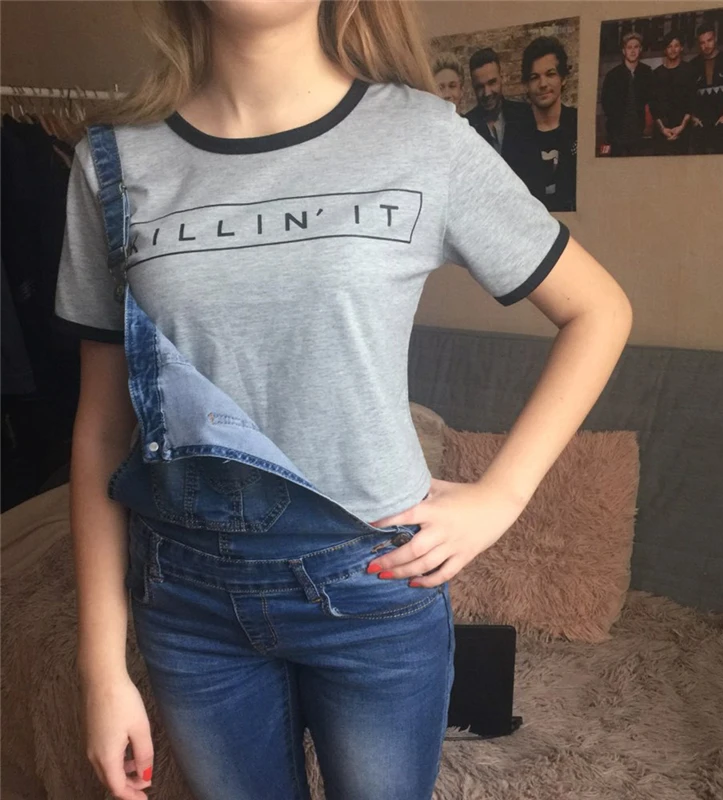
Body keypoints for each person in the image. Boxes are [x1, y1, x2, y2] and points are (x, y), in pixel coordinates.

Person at [55, 2, 633, 799]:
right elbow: (99, 432)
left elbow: (599, 310)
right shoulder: (114, 161)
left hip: (371, 578)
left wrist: (503, 495)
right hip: (186, 598)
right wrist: (99, 668)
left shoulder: (423, 137)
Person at [517, 36, 577, 211]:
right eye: (535, 77)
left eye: (550, 74)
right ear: (526, 84)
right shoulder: (516, 134)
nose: (543, 84)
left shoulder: (578, 125)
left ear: (563, 78)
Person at [464, 47, 531, 157]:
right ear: (473, 87)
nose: (487, 93)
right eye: (480, 87)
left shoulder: (525, 115)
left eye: (492, 83)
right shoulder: (466, 126)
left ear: (502, 78)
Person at [600, 32, 654, 157]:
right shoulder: (613, 75)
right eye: (629, 47)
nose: (633, 51)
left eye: (636, 47)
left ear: (640, 49)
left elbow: (652, 99)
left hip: (639, 131)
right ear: (624, 51)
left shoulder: (647, 72)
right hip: (617, 132)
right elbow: (606, 103)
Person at [690, 23, 723, 154]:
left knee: (720, 158)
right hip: (700, 122)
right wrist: (693, 117)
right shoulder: (693, 64)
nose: (706, 45)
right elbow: (689, 94)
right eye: (702, 42)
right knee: (699, 160)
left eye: (709, 40)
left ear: (715, 38)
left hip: (721, 119)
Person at [652, 33, 693, 155]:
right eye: (669, 46)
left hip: (684, 129)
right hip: (662, 130)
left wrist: (681, 127)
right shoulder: (656, 74)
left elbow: (692, 102)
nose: (673, 49)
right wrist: (663, 129)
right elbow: (654, 105)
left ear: (681, 48)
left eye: (676, 45)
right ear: (665, 50)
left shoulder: (689, 70)